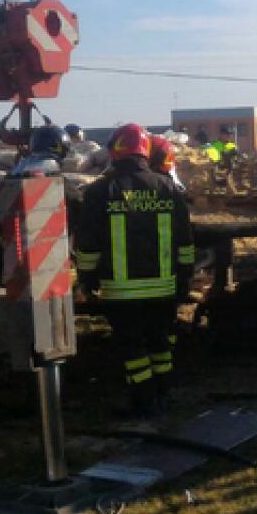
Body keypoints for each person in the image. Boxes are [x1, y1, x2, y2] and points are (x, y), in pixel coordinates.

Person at [73, 124, 195, 417]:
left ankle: (144, 402)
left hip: (121, 291)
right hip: (164, 288)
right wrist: (184, 279)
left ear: (115, 151)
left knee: (133, 348)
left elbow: (87, 244)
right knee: (160, 343)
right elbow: (186, 241)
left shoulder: (101, 191)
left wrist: (86, 279)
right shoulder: (168, 188)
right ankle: (163, 395)